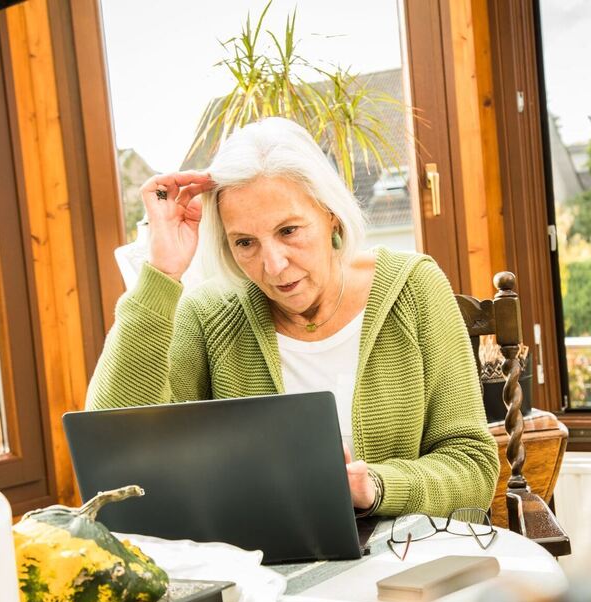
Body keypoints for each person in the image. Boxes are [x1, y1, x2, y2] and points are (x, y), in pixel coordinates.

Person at [86, 117, 498, 518]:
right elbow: (113, 456)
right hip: (263, 558)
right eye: (245, 242)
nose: (274, 265)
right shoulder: (209, 314)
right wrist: (162, 272)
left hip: (405, 551)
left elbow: (472, 467)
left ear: (330, 214)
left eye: (288, 231)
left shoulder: (414, 288)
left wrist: (373, 486)